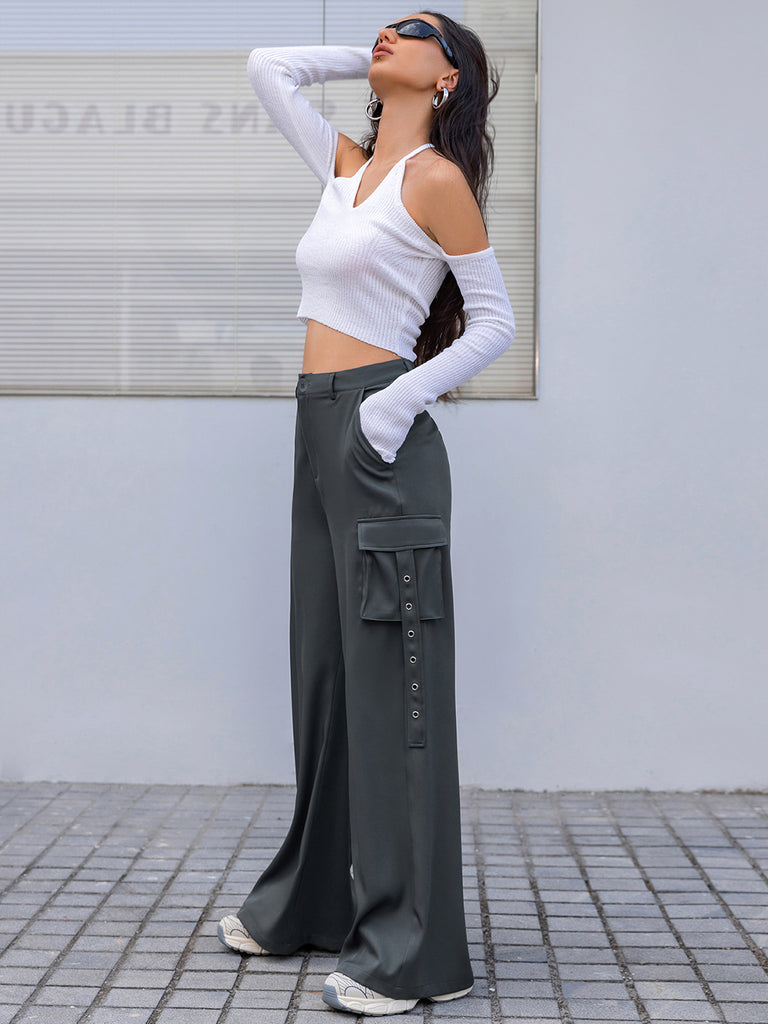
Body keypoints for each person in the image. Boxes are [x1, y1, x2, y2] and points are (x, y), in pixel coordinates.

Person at [217, 11, 515, 1016]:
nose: (388, 31)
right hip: (317, 428)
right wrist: (384, 58)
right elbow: (268, 67)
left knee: (399, 698)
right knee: (326, 676)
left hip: (380, 442)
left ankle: (416, 952)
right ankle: (314, 901)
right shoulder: (348, 168)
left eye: (415, 29)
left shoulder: (434, 180)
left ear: (450, 78)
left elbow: (497, 321)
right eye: (383, 25)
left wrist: (393, 407)